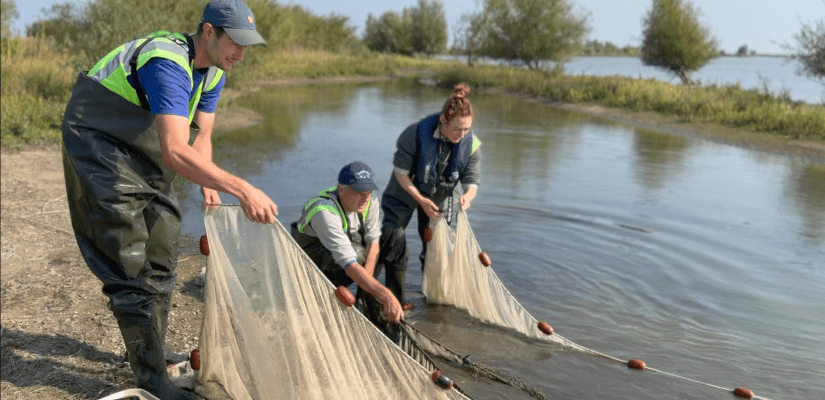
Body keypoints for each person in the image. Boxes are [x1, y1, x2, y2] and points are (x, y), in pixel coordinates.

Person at [60, 1, 277, 399]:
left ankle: (152, 352)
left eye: (248, 47)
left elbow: (202, 136)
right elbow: (176, 150)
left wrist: (208, 181)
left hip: (144, 142)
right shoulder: (167, 61)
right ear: (208, 32)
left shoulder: (214, 71)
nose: (241, 55)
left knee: (162, 249)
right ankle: (150, 376)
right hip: (99, 138)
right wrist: (241, 187)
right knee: (128, 259)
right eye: (236, 44)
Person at [378, 84, 481, 304]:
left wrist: (467, 197)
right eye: (457, 129)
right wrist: (421, 200)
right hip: (407, 189)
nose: (461, 135)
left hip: (442, 196)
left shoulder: (471, 144)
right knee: (392, 235)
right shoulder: (414, 133)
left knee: (436, 246)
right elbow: (401, 173)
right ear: (444, 120)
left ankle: (432, 299)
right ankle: (391, 298)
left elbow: (471, 182)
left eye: (466, 130)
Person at [290, 162, 405, 325]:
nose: (365, 197)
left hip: (344, 254)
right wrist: (383, 294)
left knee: (394, 235)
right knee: (357, 254)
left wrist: (370, 286)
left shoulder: (369, 201)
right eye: (359, 191)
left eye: (368, 191)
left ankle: (390, 306)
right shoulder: (324, 212)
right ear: (342, 190)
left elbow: (373, 242)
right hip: (312, 266)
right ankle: (326, 296)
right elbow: (349, 262)